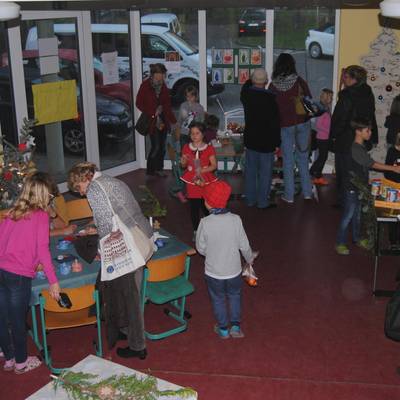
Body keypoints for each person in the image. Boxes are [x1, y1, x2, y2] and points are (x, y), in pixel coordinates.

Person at [68, 162, 153, 359]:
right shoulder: (110, 180)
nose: (81, 193)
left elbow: (107, 225)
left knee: (130, 297)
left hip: (128, 245)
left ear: (83, 180)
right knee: (131, 292)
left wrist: (96, 242)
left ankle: (137, 345)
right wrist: (96, 225)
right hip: (141, 234)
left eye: (79, 188)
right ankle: (127, 331)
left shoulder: (94, 189)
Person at [0, 172, 60, 373]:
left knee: (2, 315)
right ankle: (21, 362)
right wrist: (53, 281)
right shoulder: (41, 216)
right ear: (44, 196)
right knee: (17, 320)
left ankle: (8, 358)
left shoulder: (13, 212)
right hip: (18, 276)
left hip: (1, 271)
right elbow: (43, 249)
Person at [196, 180, 254, 339]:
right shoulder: (236, 219)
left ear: (208, 203)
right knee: (235, 296)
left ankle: (223, 329)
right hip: (233, 270)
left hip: (213, 273)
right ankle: (235, 327)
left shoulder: (205, 223)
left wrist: (211, 252)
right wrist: (249, 259)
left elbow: (200, 248)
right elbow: (244, 244)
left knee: (218, 299)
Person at [335, 118, 400, 256]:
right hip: (351, 187)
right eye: (367, 130)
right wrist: (393, 169)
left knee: (357, 214)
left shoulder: (361, 147)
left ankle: (357, 238)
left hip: (359, 186)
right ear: (358, 132)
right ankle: (340, 242)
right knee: (348, 215)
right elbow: (372, 164)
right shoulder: (355, 148)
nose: (370, 133)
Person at [330, 65, 378, 207]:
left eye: (346, 77)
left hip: (345, 139)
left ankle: (343, 202)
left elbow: (341, 118)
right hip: (360, 139)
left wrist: (333, 135)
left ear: (353, 79)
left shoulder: (347, 95)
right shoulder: (368, 93)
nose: (344, 79)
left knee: (343, 173)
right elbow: (371, 116)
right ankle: (356, 200)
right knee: (357, 172)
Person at [269, 53, 313, 203]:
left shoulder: (273, 85)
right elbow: (310, 101)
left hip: (284, 126)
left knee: (287, 160)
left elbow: (271, 108)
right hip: (302, 123)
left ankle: (289, 195)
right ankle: (307, 193)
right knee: (303, 158)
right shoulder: (299, 81)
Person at [240, 68, 281, 209]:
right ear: (266, 81)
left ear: (253, 80)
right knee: (265, 173)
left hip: (251, 139)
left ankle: (250, 200)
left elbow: (245, 87)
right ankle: (263, 202)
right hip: (267, 141)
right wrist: (277, 142)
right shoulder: (271, 99)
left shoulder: (246, 95)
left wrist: (251, 79)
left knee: (250, 172)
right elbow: (276, 123)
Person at [136, 63, 177, 177]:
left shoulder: (164, 86)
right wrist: (152, 112)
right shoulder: (145, 85)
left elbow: (167, 105)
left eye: (163, 74)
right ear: (153, 74)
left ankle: (159, 169)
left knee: (162, 145)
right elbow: (138, 103)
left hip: (163, 119)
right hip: (152, 120)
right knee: (156, 146)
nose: (161, 77)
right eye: (159, 74)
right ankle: (150, 170)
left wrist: (173, 121)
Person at [181, 122, 217, 239]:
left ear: (203, 134)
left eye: (197, 133)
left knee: (205, 206)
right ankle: (196, 230)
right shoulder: (186, 147)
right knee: (194, 207)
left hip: (204, 179)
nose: (194, 136)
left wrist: (202, 170)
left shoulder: (209, 148)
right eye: (192, 133)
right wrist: (183, 161)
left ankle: (209, 228)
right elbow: (183, 165)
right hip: (192, 181)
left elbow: (214, 166)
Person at [309, 88, 334, 185]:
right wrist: (329, 131)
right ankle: (317, 175)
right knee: (322, 157)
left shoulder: (326, 109)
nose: (331, 99)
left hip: (325, 137)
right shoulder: (321, 109)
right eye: (330, 97)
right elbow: (319, 125)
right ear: (326, 97)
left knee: (322, 157)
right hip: (322, 138)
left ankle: (313, 173)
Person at [384, 131, 400, 247]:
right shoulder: (392, 151)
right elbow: (387, 172)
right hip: (393, 188)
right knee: (393, 215)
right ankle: (393, 240)